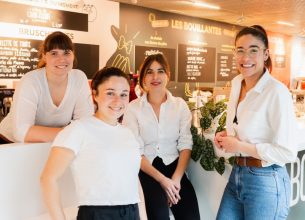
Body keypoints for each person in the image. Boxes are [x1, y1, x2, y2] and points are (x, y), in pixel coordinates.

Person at [41, 67, 146, 220]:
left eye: (123, 94)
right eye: (110, 93)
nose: (118, 100)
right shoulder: (78, 129)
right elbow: (48, 179)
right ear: (95, 94)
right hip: (97, 214)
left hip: (132, 212)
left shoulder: (127, 134)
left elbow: (133, 181)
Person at [214, 25, 297, 220]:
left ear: (266, 54)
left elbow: (287, 151)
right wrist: (228, 137)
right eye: (240, 51)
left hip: (266, 180)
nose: (245, 58)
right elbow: (246, 129)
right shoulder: (236, 83)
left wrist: (240, 145)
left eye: (253, 50)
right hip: (237, 175)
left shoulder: (276, 92)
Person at [123, 53, 200, 220]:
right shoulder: (133, 108)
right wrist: (164, 181)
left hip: (175, 168)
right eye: (149, 72)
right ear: (143, 77)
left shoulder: (180, 106)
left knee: (191, 215)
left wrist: (176, 180)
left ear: (168, 75)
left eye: (160, 71)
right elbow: (136, 152)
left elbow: (186, 145)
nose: (155, 77)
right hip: (147, 170)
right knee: (159, 215)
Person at [0, 31, 94, 144]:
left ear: (73, 55)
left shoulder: (79, 78)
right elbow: (21, 132)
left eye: (66, 53)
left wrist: (76, 134)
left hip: (50, 143)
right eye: (54, 53)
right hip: (10, 143)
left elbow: (85, 123)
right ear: (44, 56)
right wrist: (72, 134)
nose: (62, 59)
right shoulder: (31, 80)